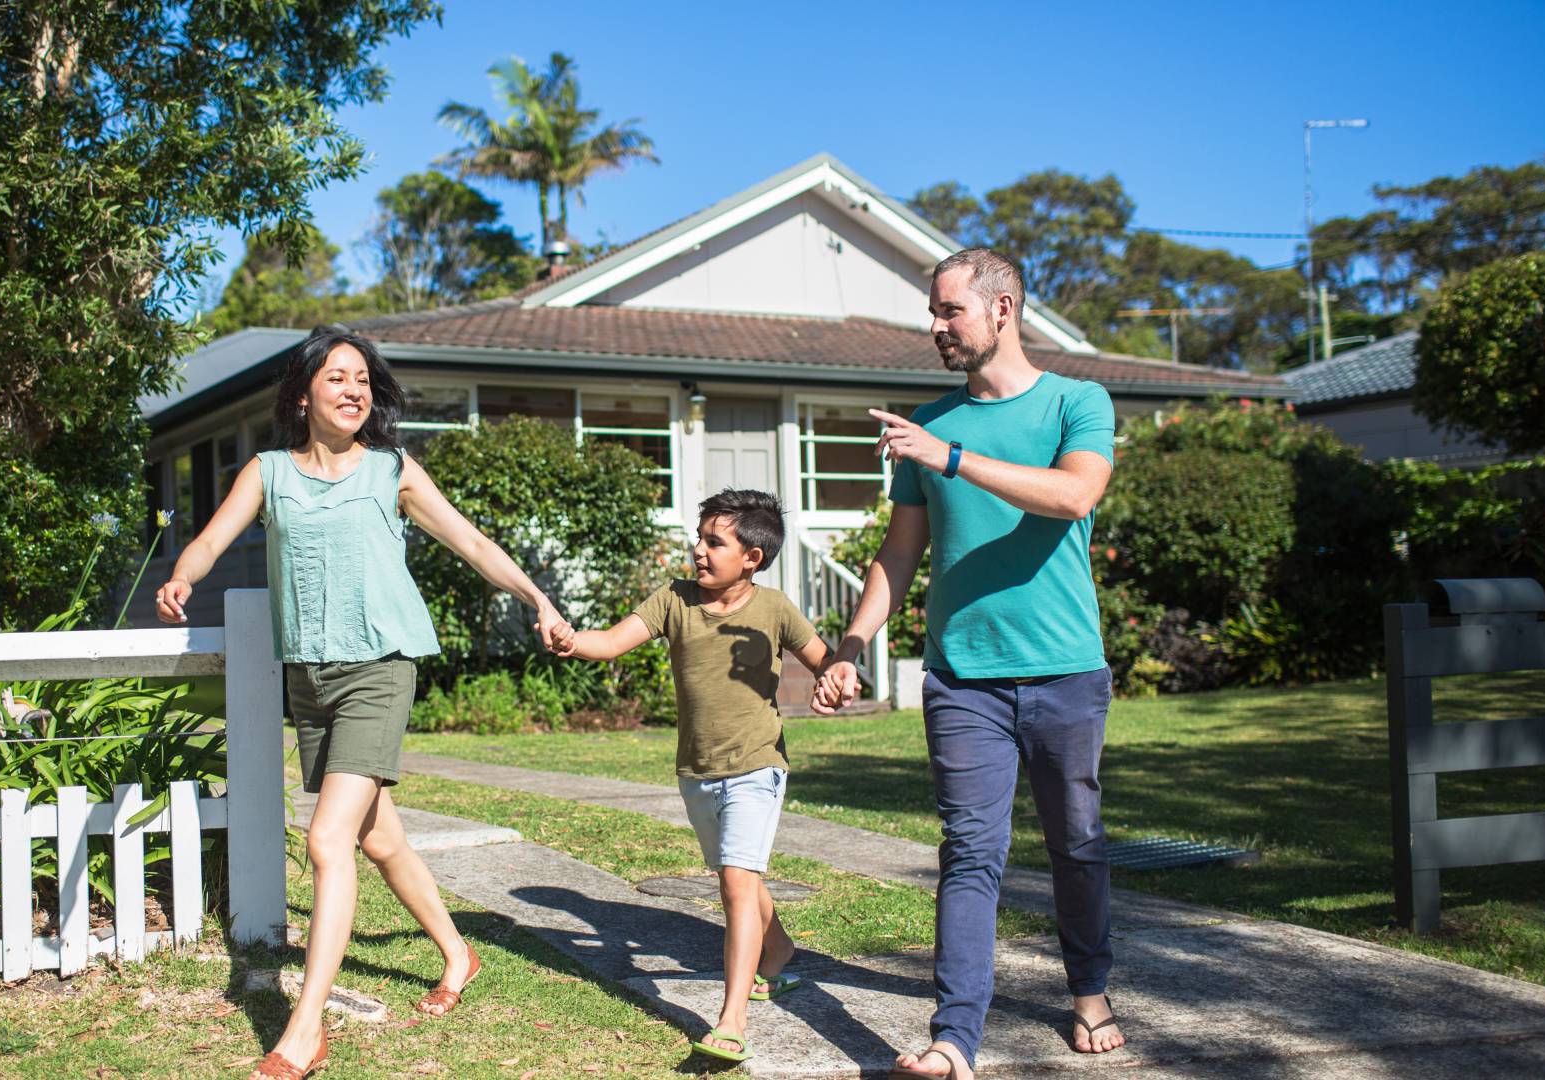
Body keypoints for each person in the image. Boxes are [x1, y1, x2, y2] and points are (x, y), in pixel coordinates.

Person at [155, 326, 572, 1080]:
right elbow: (211, 539)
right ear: (304, 393)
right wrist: (184, 576)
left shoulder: (392, 471)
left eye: (363, 380)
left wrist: (537, 597)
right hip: (309, 680)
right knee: (379, 840)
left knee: (326, 841)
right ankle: (458, 954)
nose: (353, 390)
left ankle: (302, 1029)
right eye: (337, 377)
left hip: (379, 665)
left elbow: (471, 543)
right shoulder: (269, 471)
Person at [814, 249, 1126, 1079]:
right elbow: (899, 553)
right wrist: (850, 648)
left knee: (1077, 842)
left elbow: (1072, 496)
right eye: (933, 310)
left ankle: (1089, 988)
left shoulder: (1076, 401)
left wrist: (946, 455)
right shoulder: (931, 419)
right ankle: (955, 1040)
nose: (935, 326)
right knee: (970, 852)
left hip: (1065, 670)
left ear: (1002, 308)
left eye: (949, 310)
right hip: (962, 677)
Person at [557, 488, 833, 1064]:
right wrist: (572, 640)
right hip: (697, 771)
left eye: (714, 542)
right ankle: (778, 952)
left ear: (751, 557)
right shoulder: (674, 600)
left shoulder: (775, 608)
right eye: (699, 539)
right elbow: (610, 642)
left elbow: (823, 659)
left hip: (758, 764)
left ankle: (732, 1019)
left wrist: (837, 679)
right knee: (742, 876)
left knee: (735, 879)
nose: (699, 551)